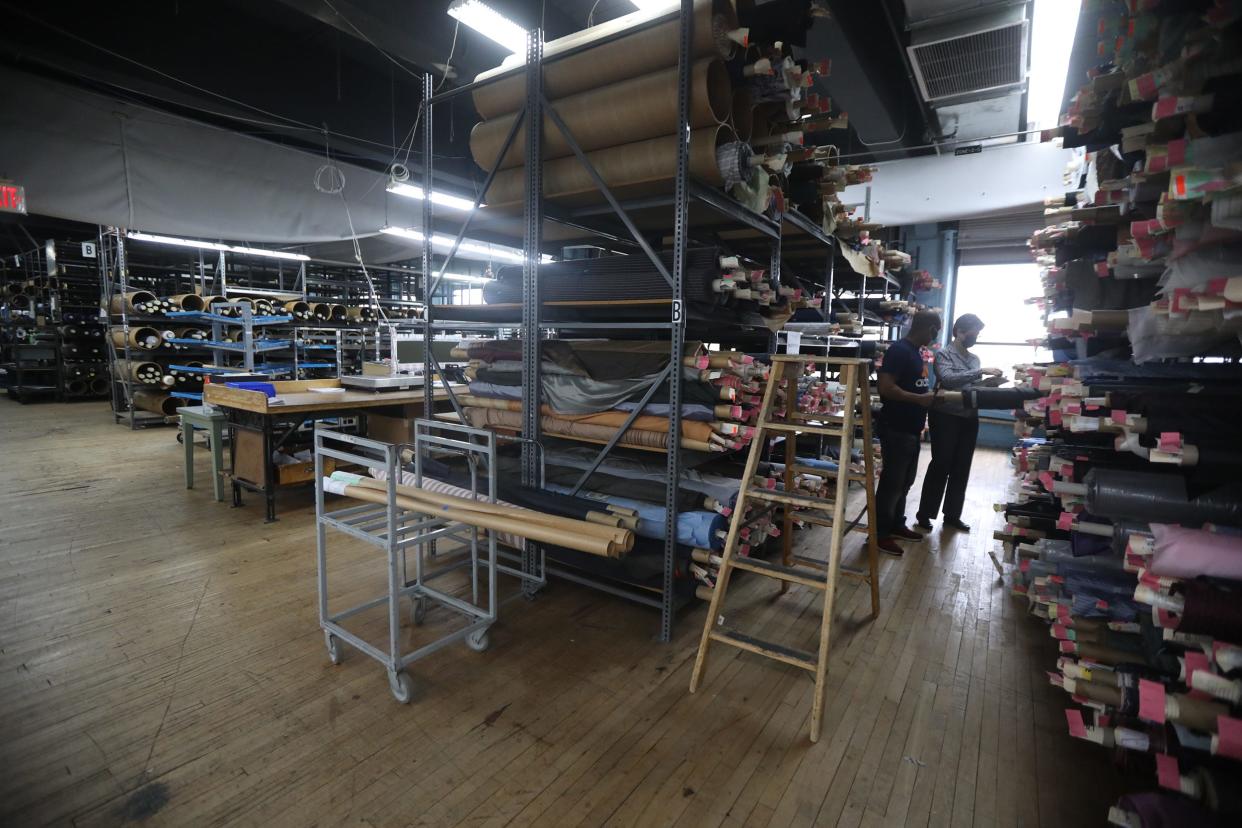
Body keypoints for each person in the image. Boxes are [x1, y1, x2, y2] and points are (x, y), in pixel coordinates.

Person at [915, 314, 1003, 533]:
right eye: (974, 332)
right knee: (941, 463)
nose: (976, 336)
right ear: (960, 331)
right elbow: (948, 379)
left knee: (962, 467)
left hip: (969, 417)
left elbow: (971, 387)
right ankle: (925, 514)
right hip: (945, 416)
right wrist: (980, 372)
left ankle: (952, 515)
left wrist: (988, 385)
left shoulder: (974, 359)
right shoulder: (944, 354)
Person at [874, 310, 941, 556]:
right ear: (931, 328)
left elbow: (913, 385)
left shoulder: (915, 352)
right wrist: (919, 400)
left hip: (911, 428)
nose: (936, 337)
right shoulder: (899, 350)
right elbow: (885, 388)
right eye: (937, 332)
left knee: (905, 481)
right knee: (892, 483)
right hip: (896, 427)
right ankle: (879, 534)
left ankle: (896, 524)